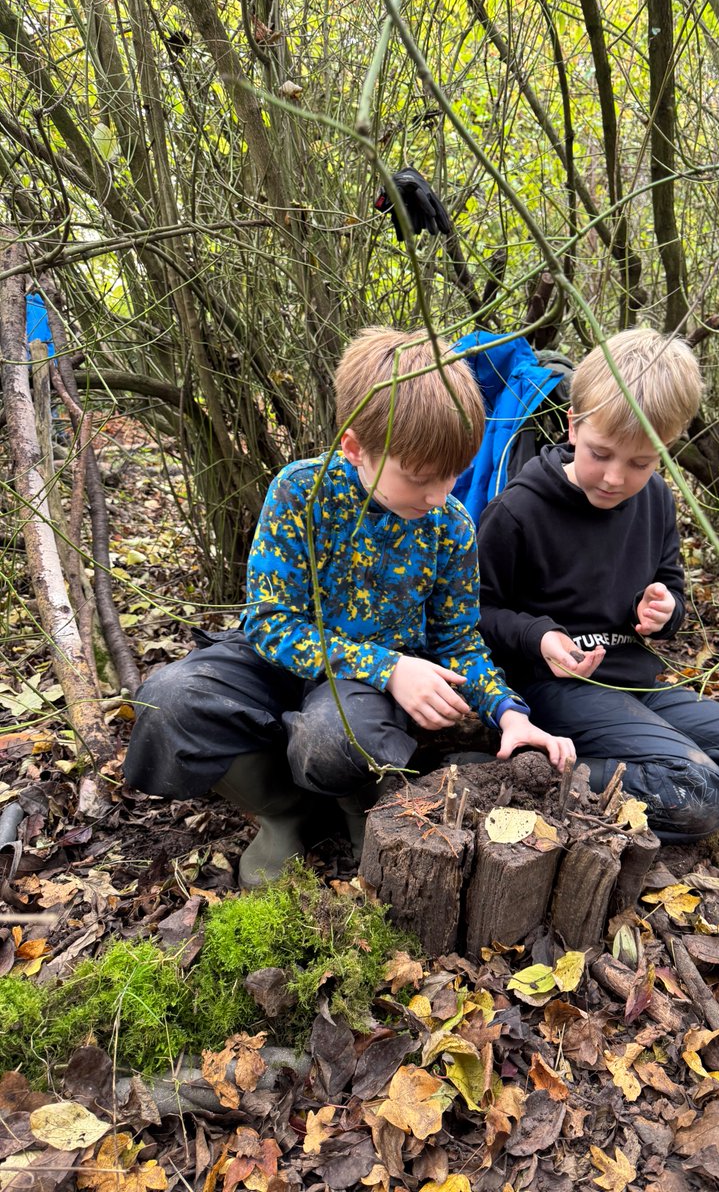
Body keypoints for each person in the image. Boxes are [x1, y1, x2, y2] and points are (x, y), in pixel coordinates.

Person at [125, 328, 575, 886]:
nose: (438, 495)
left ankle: (361, 809)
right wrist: (389, 667)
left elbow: (460, 641)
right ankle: (284, 814)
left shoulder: (451, 525)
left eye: (452, 474)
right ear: (354, 448)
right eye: (418, 478)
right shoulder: (301, 492)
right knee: (168, 701)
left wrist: (510, 714)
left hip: (360, 694)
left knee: (339, 735)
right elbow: (268, 623)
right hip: (282, 662)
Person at [476, 328, 719, 843]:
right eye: (601, 453)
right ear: (573, 425)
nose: (614, 478)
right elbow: (476, 614)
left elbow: (669, 586)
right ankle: (515, 777)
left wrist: (664, 609)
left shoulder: (656, 501)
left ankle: (642, 776)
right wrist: (539, 637)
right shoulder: (518, 510)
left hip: (636, 684)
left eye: (640, 463)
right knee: (699, 793)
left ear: (664, 451)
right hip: (555, 688)